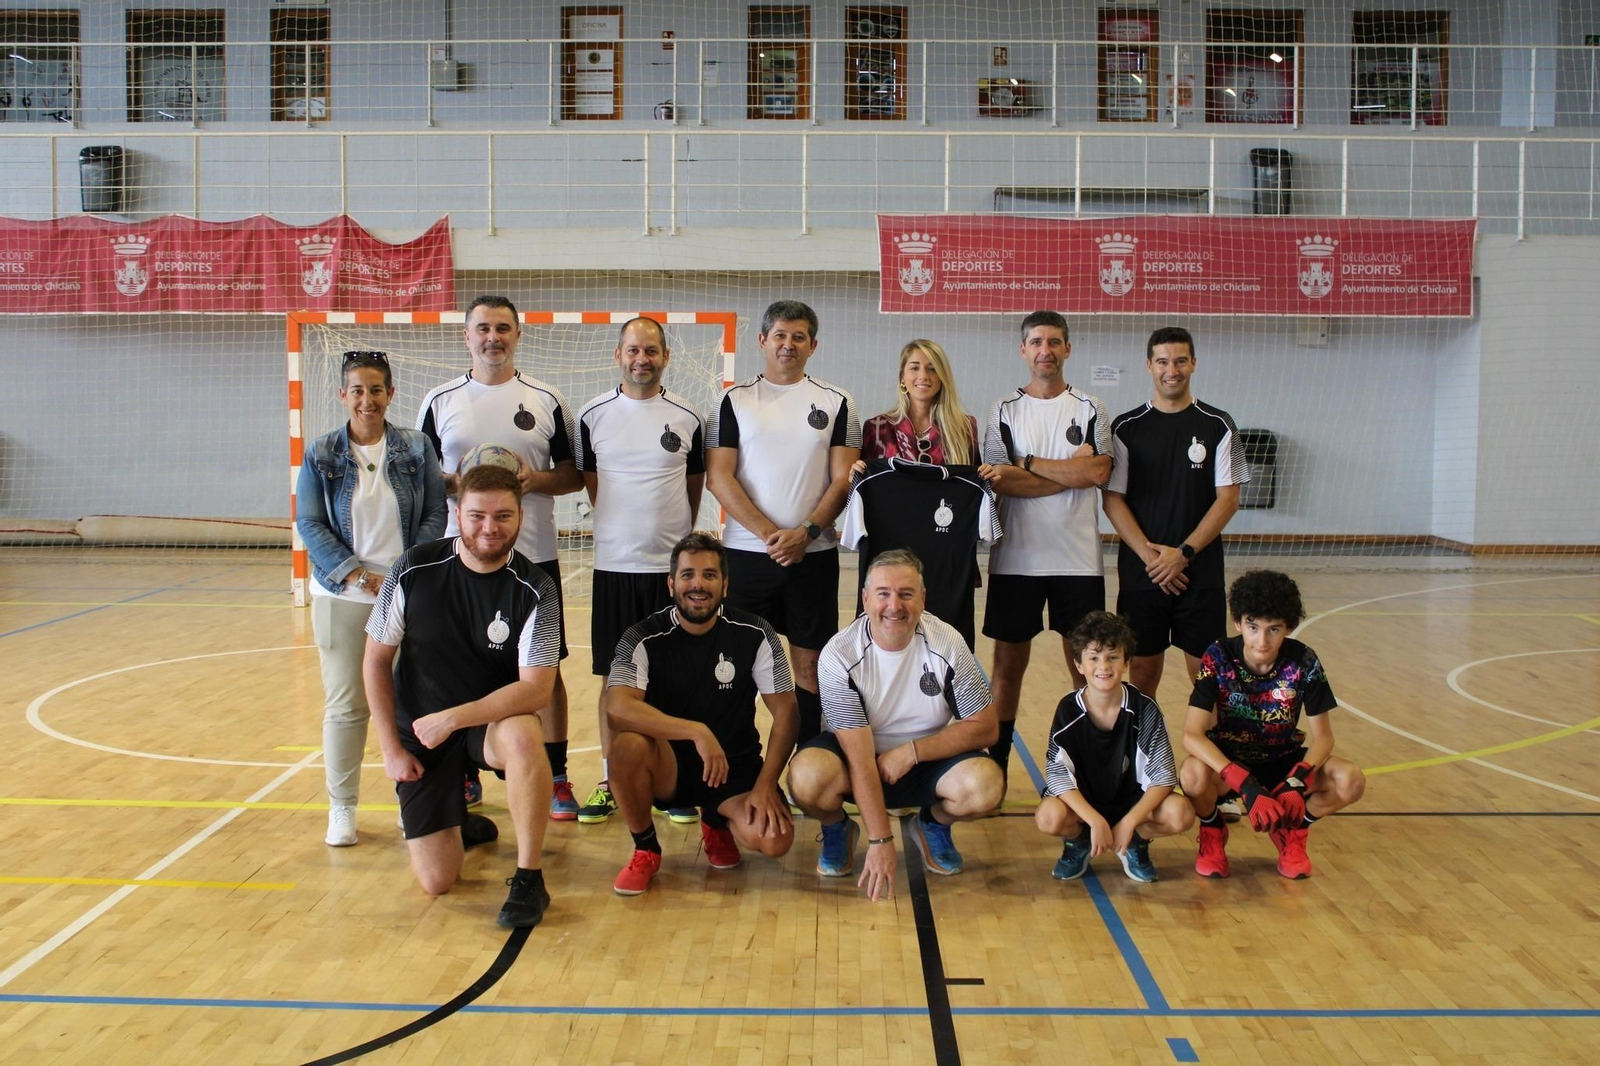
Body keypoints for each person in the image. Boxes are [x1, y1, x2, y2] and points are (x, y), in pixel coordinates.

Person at [363, 464, 562, 927]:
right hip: (421, 731)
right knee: (437, 881)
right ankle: (456, 818)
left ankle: (529, 878)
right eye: (477, 515)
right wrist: (391, 750)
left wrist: (454, 718)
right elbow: (375, 661)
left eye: (503, 516)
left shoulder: (537, 588)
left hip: (485, 726)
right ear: (457, 513)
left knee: (524, 737)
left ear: (520, 516)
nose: (489, 528)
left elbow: (537, 689)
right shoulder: (413, 568)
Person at [418, 294, 583, 821]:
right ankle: (464, 774)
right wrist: (463, 486)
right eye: (483, 328)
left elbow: (573, 474)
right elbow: (423, 477)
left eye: (503, 328)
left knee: (546, 672)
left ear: (518, 334)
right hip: (461, 560)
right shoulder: (439, 400)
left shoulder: (546, 398)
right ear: (466, 336)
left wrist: (533, 481)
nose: (493, 337)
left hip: (533, 555)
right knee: (458, 665)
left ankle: (556, 775)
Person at [787, 550, 1003, 900]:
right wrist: (880, 839)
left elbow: (985, 726)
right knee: (806, 777)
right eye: (883, 593)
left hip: (923, 761)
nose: (894, 606)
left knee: (986, 784)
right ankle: (837, 828)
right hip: (858, 760)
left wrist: (911, 752)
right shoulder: (839, 655)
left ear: (923, 598)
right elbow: (858, 759)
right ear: (865, 598)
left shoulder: (948, 642)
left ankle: (932, 824)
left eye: (906, 594)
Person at [296, 351, 446, 848]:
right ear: (343, 395)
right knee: (346, 707)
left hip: (405, 593)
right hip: (342, 593)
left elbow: (435, 515)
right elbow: (310, 523)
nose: (367, 400)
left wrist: (404, 574)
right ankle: (343, 808)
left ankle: (412, 805)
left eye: (376, 390)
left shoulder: (416, 447)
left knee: (409, 704)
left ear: (390, 394)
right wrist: (359, 576)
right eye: (357, 390)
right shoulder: (321, 453)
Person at [604, 532, 799, 895]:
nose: (698, 584)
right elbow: (617, 708)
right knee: (626, 747)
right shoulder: (643, 636)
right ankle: (646, 847)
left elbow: (787, 712)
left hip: (734, 768)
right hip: (669, 767)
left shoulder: (755, 633)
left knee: (776, 840)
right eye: (688, 574)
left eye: (709, 575)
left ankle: (715, 819)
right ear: (671, 584)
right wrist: (696, 731)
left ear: (725, 585)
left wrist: (766, 785)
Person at [706, 299, 860, 744]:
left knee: (810, 664)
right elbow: (719, 476)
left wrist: (807, 533)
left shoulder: (837, 401)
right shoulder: (733, 401)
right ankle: (736, 759)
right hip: (746, 555)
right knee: (735, 660)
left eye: (798, 337)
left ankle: (808, 760)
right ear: (762, 341)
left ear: (813, 345)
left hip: (813, 557)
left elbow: (843, 479)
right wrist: (772, 536)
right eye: (780, 335)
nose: (788, 345)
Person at [574, 316, 706, 826]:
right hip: (614, 567)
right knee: (616, 680)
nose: (641, 359)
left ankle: (676, 783)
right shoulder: (592, 415)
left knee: (673, 675)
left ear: (665, 356)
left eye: (651, 350)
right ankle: (613, 778)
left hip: (668, 572)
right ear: (618, 355)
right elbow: (593, 485)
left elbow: (693, 487)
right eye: (633, 350)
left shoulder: (687, 416)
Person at [978, 311, 1111, 780]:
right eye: (1036, 342)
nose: (1045, 350)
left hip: (1079, 562)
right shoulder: (1003, 411)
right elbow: (1000, 482)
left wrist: (1030, 463)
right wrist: (1068, 473)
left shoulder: (1091, 407)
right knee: (1007, 669)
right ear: (1023, 350)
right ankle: (995, 768)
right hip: (1016, 558)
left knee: (1087, 669)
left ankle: (1091, 766)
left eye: (1054, 342)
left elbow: (1098, 473)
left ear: (1068, 349)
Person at [1179, 570, 1367, 880]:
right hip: (1231, 763)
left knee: (1351, 780)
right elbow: (1191, 735)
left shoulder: (1304, 660)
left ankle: (1294, 830)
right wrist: (1245, 784)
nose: (1262, 641)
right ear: (1238, 623)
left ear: (1289, 628)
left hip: (1283, 760)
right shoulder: (1218, 656)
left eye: (1274, 629)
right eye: (1253, 627)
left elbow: (1323, 739)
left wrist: (1297, 780)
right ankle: (1213, 832)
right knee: (1192, 775)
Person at [1103, 326, 1248, 698]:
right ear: (1149, 366)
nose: (1172, 370)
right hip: (1143, 573)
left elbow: (1228, 499)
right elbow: (1112, 499)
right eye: (1163, 361)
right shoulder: (1125, 427)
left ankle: (1217, 756)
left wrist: (1183, 555)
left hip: (1199, 573)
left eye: (1181, 361)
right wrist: (1153, 558)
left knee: (1209, 679)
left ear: (1194, 364)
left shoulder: (1218, 425)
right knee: (1142, 675)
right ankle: (1142, 754)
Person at [1035, 611, 1193, 884]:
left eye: (1113, 657)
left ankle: (1136, 843)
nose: (1103, 666)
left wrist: (1131, 822)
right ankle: (1078, 842)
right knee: (1048, 817)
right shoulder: (1068, 710)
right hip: (1085, 804)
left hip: (1131, 802)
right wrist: (1095, 821)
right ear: (1079, 665)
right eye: (1093, 658)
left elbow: (1164, 776)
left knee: (1181, 814)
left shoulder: (1144, 708)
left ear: (1127, 662)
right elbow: (1059, 778)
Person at [860, 339, 979, 465]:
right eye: (915, 368)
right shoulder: (877, 428)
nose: (923, 376)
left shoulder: (964, 427)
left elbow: (973, 480)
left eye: (932, 369)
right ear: (902, 377)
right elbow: (867, 481)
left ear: (943, 377)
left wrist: (987, 476)